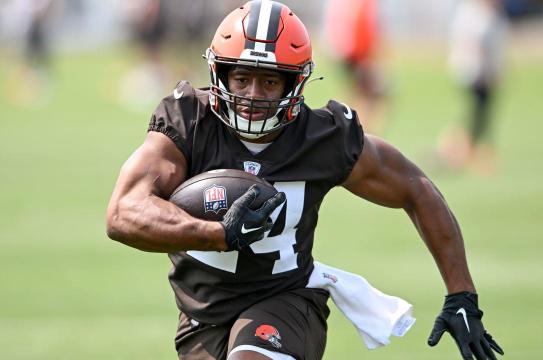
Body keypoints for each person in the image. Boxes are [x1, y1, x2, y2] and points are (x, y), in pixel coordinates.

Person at [106, 1, 503, 359]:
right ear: (220, 75)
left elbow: (415, 188)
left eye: (270, 81)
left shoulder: (323, 137)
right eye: (241, 79)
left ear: (294, 84)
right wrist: (214, 233)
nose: (253, 95)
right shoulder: (189, 121)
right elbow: (123, 213)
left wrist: (461, 294)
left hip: (287, 298)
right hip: (203, 313)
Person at [436, 0, 507, 175]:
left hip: (476, 71)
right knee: (477, 114)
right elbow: (477, 44)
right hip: (475, 72)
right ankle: (455, 149)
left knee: (478, 114)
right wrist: (487, 71)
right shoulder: (475, 14)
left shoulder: (481, 13)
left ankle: (460, 150)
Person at [323, 0, 387, 134]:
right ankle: (362, 133)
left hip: (344, 51)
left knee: (358, 93)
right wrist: (366, 57)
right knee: (371, 95)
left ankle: (338, 127)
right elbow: (363, 26)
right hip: (356, 53)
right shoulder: (361, 4)